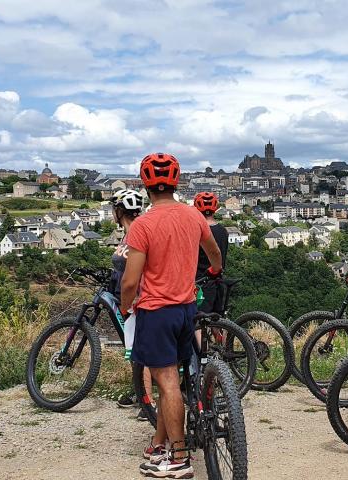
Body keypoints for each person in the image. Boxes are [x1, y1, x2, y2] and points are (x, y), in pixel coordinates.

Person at [121, 153, 223, 479]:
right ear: (176, 183)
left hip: (156, 310)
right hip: (186, 309)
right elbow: (214, 254)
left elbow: (130, 281)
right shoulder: (193, 216)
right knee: (173, 383)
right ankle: (158, 444)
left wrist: (125, 307)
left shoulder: (143, 224)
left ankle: (179, 456)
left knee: (166, 383)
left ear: (145, 185)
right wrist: (215, 269)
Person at [107, 189, 150, 419]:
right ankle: (141, 394)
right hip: (132, 296)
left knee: (140, 352)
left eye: (114, 209)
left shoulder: (135, 233)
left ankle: (148, 404)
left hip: (137, 299)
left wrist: (127, 303)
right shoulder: (128, 234)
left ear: (119, 211)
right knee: (137, 351)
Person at [193, 192, 228, 313]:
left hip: (200, 283)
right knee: (218, 320)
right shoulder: (223, 231)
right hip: (219, 281)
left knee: (197, 320)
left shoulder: (197, 231)